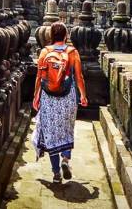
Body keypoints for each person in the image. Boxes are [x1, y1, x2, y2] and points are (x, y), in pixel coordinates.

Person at [31, 22, 87, 183]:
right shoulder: (72, 52)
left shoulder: (45, 52)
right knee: (67, 130)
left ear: (50, 35)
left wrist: (36, 96)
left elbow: (39, 77)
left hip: (48, 98)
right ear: (65, 36)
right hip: (68, 96)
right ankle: (66, 160)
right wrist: (83, 95)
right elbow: (79, 77)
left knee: (51, 134)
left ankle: (56, 173)